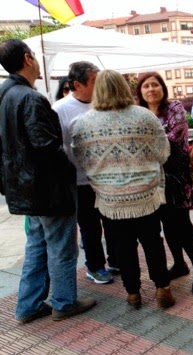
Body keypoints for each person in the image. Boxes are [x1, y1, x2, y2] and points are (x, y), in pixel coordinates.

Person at [0, 39, 96, 323]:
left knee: (37, 246)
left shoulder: (5, 94)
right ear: (28, 60)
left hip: (24, 188)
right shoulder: (30, 97)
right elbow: (46, 147)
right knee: (62, 247)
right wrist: (68, 170)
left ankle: (28, 306)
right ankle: (64, 302)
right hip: (47, 189)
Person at [72, 70, 175, 309]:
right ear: (124, 87)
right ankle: (162, 289)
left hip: (110, 200)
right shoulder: (144, 117)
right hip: (146, 195)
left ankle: (133, 294)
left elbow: (82, 160)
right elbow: (163, 152)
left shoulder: (84, 123)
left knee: (122, 246)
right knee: (152, 242)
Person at [136, 72, 193, 294]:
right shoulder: (138, 113)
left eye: (155, 85)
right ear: (140, 92)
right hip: (152, 181)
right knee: (167, 225)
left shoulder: (175, 108)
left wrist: (144, 142)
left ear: (162, 88)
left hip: (177, 178)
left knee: (183, 225)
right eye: (146, 86)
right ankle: (179, 263)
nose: (151, 89)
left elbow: (174, 137)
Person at [53, 61, 118, 285]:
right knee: (90, 227)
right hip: (80, 181)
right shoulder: (60, 109)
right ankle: (95, 266)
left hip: (107, 177)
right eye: (94, 81)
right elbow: (58, 147)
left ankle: (115, 259)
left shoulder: (103, 103)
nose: (99, 85)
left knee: (112, 221)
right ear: (78, 85)